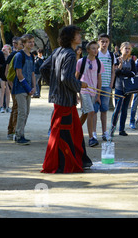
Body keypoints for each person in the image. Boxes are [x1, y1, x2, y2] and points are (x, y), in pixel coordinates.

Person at [41, 25, 92, 173]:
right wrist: (80, 84)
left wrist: (55, 85)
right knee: (63, 133)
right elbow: (66, 78)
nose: (80, 37)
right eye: (77, 34)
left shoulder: (58, 51)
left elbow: (43, 68)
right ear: (70, 37)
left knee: (75, 131)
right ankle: (63, 164)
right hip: (64, 102)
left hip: (62, 99)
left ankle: (82, 161)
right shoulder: (70, 54)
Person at [76, 41, 105, 147]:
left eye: (96, 48)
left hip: (93, 92)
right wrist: (76, 92)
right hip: (84, 91)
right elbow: (76, 77)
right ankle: (91, 137)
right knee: (91, 112)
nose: (95, 50)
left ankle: (74, 130)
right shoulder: (81, 61)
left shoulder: (98, 62)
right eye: (93, 48)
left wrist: (98, 95)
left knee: (85, 113)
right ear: (88, 50)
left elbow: (99, 79)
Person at [12, 34, 36, 145]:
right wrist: (28, 88)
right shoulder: (19, 55)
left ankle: (21, 134)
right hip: (20, 88)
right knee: (22, 112)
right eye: (29, 42)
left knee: (26, 113)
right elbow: (19, 74)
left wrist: (34, 87)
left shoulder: (31, 56)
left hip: (28, 89)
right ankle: (18, 136)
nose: (31, 44)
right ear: (24, 43)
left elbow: (32, 73)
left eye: (33, 41)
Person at [109, 42, 137, 137]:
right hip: (119, 87)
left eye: (129, 48)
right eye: (125, 48)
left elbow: (133, 73)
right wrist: (121, 67)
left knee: (125, 109)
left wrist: (122, 71)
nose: (127, 50)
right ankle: (112, 129)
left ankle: (122, 129)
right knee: (117, 109)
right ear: (121, 49)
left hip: (128, 88)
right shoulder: (117, 59)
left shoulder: (132, 61)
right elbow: (116, 72)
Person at [94, 33, 116, 141]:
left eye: (106, 41)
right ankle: (93, 133)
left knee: (104, 110)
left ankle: (104, 132)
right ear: (99, 42)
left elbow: (113, 71)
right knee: (94, 110)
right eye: (102, 41)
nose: (104, 43)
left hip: (107, 86)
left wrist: (111, 84)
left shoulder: (111, 55)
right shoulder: (96, 54)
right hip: (96, 87)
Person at [6, 37, 22, 140]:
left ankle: (14, 129)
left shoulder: (23, 55)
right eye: (14, 43)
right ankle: (11, 130)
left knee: (17, 108)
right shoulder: (13, 55)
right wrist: (11, 86)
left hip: (20, 86)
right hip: (14, 86)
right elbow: (7, 73)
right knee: (16, 108)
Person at [0, 45, 11, 113]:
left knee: (8, 92)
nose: (4, 50)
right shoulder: (1, 56)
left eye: (6, 49)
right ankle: (1, 107)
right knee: (2, 92)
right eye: (3, 49)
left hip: (8, 76)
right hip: (1, 76)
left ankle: (7, 107)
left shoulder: (10, 57)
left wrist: (8, 54)